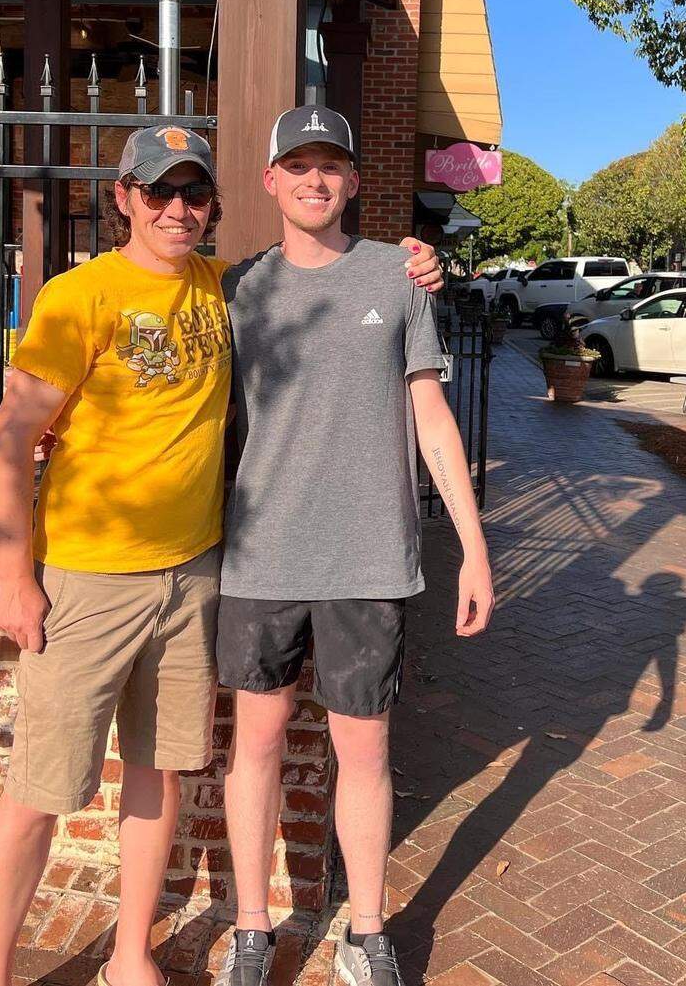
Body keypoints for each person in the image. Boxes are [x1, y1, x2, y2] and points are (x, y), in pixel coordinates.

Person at [0, 120, 441, 986]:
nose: (177, 209)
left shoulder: (226, 288)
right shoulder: (80, 295)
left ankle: (127, 956)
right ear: (124, 198)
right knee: (40, 786)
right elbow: (9, 437)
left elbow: (318, 283)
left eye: (193, 193)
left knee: (161, 777)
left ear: (214, 204)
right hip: (88, 577)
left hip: (194, 575)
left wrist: (418, 262)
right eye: (158, 191)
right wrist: (13, 578)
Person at [215, 106, 495, 986]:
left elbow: (433, 420)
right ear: (270, 181)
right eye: (296, 165)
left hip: (370, 556)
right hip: (260, 554)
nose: (314, 179)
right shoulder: (236, 289)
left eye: (330, 164)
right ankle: (253, 927)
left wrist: (477, 547)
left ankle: (365, 929)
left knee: (365, 750)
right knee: (254, 744)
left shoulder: (399, 276)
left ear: (354, 180)